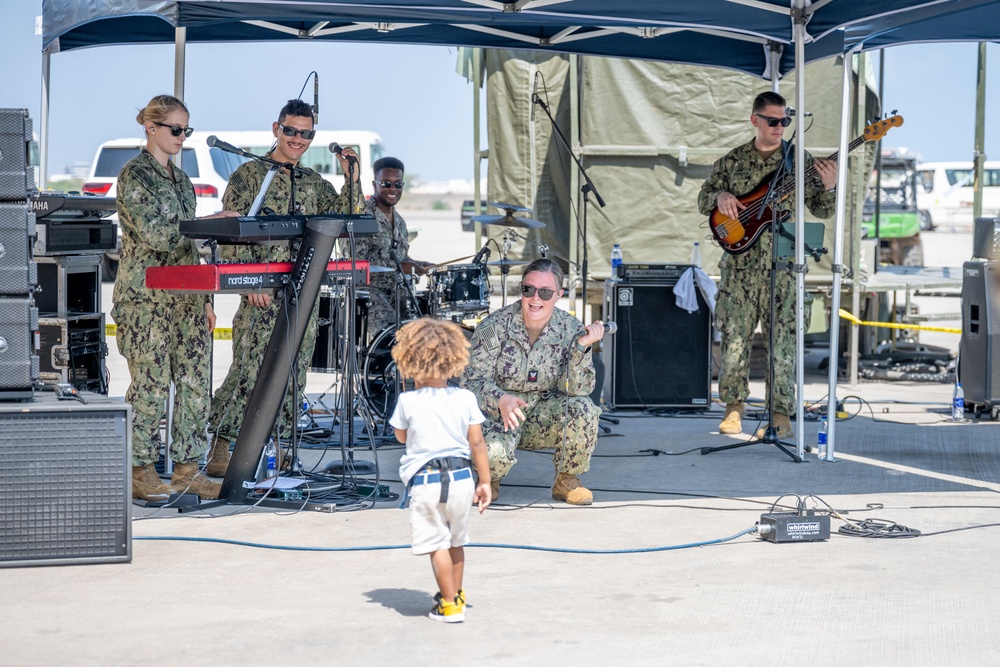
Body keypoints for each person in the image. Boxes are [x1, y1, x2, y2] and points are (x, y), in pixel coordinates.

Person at [206, 99, 364, 477]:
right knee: (250, 372)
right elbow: (232, 233)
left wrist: (352, 179)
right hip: (262, 296)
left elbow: (348, 219)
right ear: (276, 129)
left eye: (306, 133)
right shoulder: (248, 176)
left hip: (302, 295)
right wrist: (251, 279)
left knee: (294, 376)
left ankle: (280, 450)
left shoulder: (313, 182)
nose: (298, 139)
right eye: (291, 130)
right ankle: (221, 445)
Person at [112, 94, 240, 501]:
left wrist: (205, 299)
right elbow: (159, 236)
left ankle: (187, 471)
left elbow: (190, 250)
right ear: (151, 128)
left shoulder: (182, 181)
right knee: (149, 389)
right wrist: (210, 222)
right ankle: (140, 470)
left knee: (194, 386)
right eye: (176, 129)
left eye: (187, 130)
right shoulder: (135, 176)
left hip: (186, 300)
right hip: (147, 299)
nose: (183, 137)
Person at [697, 91, 837, 438]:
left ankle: (780, 416)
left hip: (783, 267)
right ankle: (734, 409)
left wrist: (830, 186)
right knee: (734, 341)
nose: (779, 127)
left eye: (785, 122)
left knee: (783, 344)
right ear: (755, 120)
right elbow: (704, 198)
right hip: (740, 268)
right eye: (773, 121)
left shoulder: (798, 161)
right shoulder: (733, 161)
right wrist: (721, 196)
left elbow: (823, 209)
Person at [461, 258, 604, 505]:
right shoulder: (494, 327)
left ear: (559, 294)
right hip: (501, 415)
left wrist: (581, 348)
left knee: (584, 410)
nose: (535, 298)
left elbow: (578, 389)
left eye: (545, 292)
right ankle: (489, 479)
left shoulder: (570, 328)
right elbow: (471, 381)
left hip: (543, 413)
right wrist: (500, 399)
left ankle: (566, 480)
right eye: (528, 289)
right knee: (492, 459)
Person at [389, 318, 492, 623]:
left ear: (409, 360)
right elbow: (477, 444)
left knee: (437, 545)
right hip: (462, 479)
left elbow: (401, 436)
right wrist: (484, 481)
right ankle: (456, 594)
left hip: (427, 481)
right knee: (456, 541)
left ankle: (449, 605)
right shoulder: (465, 398)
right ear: (453, 359)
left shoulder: (408, 400)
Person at [355, 157, 432, 337]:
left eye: (398, 184)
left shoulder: (400, 222)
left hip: (399, 296)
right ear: (375, 185)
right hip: (369, 297)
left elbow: (401, 257)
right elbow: (356, 265)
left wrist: (421, 264)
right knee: (391, 338)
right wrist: (400, 268)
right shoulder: (362, 218)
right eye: (386, 183)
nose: (393, 189)